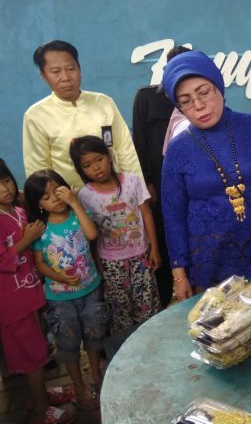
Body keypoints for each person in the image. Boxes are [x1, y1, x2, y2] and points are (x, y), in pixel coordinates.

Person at [161, 51, 251, 301]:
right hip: (210, 261)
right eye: (186, 101)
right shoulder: (178, 149)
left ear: (219, 88)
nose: (198, 105)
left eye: (204, 93)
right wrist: (179, 274)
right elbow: (173, 214)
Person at [24, 169, 107, 410]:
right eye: (46, 196)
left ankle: (96, 375)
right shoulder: (40, 229)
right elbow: (40, 263)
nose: (55, 198)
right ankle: (78, 387)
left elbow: (91, 233)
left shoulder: (78, 215)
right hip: (59, 298)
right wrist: (58, 276)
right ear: (38, 204)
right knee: (68, 343)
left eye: (57, 191)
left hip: (90, 289)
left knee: (94, 335)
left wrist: (75, 203)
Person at [0, 160, 75, 424]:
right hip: (12, 302)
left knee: (39, 346)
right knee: (30, 354)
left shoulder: (17, 210)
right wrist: (27, 240)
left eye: (6, 180)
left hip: (30, 292)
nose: (5, 189)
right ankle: (41, 410)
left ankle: (40, 393)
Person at [70, 135, 161, 337]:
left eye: (99, 159)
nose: (96, 168)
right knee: (120, 311)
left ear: (109, 156)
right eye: (87, 165)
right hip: (111, 263)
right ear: (80, 169)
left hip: (141, 256)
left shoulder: (132, 181)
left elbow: (146, 214)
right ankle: (124, 348)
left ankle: (151, 342)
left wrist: (154, 248)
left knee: (147, 305)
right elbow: (90, 233)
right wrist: (97, 265)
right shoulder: (85, 195)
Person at [23, 40, 142, 190]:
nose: (65, 77)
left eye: (70, 69)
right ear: (44, 76)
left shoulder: (104, 102)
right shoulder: (36, 116)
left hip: (118, 195)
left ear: (79, 69)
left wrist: (139, 191)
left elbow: (125, 150)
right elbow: (38, 170)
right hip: (71, 200)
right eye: (56, 72)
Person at [132, 45, 191, 307]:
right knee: (164, 233)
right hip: (159, 181)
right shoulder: (146, 97)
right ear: (166, 71)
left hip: (189, 181)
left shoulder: (195, 99)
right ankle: (166, 294)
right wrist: (147, 182)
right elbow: (139, 141)